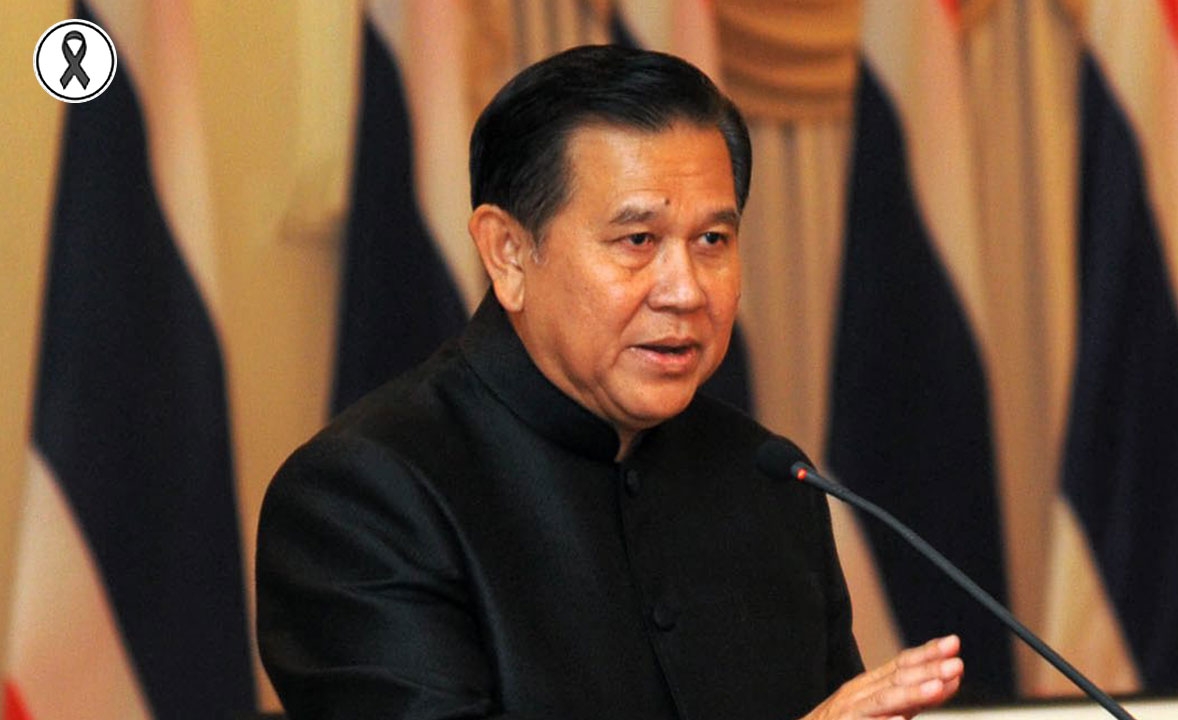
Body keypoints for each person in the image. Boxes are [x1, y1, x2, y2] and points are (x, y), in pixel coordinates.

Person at [256, 44, 963, 719]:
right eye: (638, 241)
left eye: (712, 240)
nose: (685, 290)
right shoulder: (363, 498)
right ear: (508, 253)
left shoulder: (770, 482)